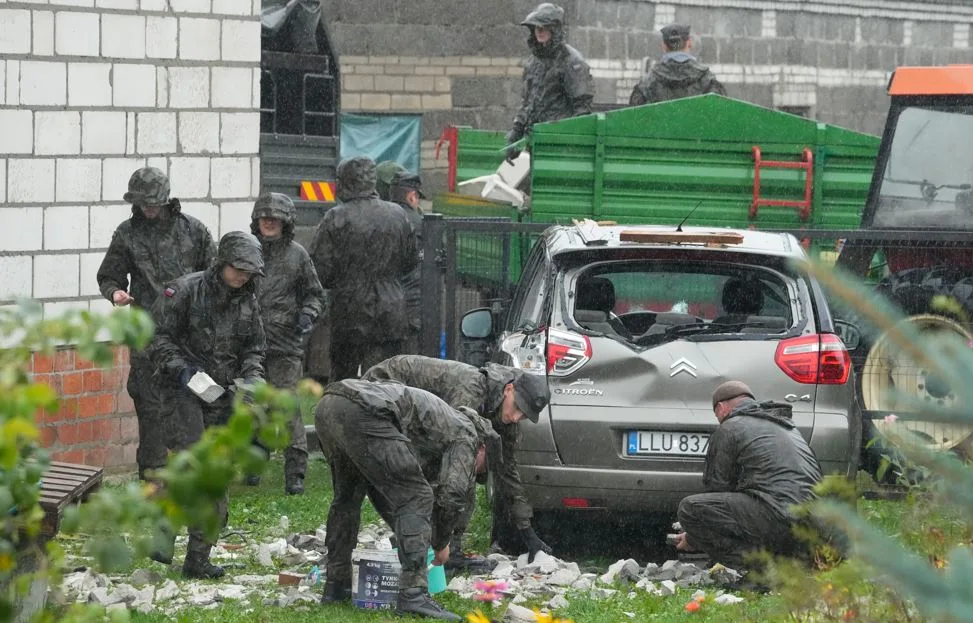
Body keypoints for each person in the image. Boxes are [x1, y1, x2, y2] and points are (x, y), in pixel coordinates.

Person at [315, 379, 496, 621]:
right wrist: (440, 542)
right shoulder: (467, 433)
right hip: (366, 409)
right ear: (483, 448)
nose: (475, 473)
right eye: (480, 469)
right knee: (419, 495)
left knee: (348, 498)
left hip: (331, 404)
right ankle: (413, 593)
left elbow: (384, 489)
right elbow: (452, 495)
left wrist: (408, 529)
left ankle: (336, 585)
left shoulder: (441, 422)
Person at [361, 355, 553, 569]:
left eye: (524, 415)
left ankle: (429, 542)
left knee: (459, 470)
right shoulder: (470, 390)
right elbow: (453, 451)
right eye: (517, 407)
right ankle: (430, 545)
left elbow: (507, 471)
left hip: (413, 409)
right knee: (455, 474)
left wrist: (528, 533)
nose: (516, 417)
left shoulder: (505, 414)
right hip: (381, 391)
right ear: (508, 390)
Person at [149, 231, 266, 579]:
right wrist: (181, 369)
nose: (242, 276)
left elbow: (255, 348)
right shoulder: (185, 291)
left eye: (249, 271)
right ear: (222, 263)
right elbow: (156, 337)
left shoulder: (248, 301)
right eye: (237, 268)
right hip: (182, 390)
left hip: (224, 395)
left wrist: (252, 379)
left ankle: (199, 556)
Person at [96, 166, 216, 482]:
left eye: (153, 202)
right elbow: (109, 274)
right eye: (142, 203)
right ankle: (153, 471)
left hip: (189, 333)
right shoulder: (127, 234)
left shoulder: (194, 231)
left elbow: (214, 277)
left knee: (198, 395)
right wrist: (116, 292)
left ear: (165, 200)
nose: (148, 208)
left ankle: (197, 466)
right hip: (147, 333)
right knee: (148, 400)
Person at [674, 381, 823, 570]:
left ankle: (762, 572)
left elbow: (717, 488)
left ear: (721, 408)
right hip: (815, 526)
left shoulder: (730, 427)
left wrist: (693, 538)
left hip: (781, 519)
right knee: (763, 505)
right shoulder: (786, 427)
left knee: (690, 509)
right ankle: (790, 564)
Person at [308, 156, 418, 381]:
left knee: (343, 381)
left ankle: (342, 416)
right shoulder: (398, 215)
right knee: (383, 383)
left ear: (344, 181)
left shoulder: (336, 217)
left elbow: (320, 270)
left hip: (349, 312)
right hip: (391, 311)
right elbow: (410, 262)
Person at [249, 192, 326, 494]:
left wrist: (307, 314)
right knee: (253, 405)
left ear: (285, 222)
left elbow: (315, 294)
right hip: (249, 344)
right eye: (264, 217)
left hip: (285, 344)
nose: (269, 222)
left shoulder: (297, 255)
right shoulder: (247, 250)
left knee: (289, 408)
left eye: (275, 218)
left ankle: (295, 472)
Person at [505, 2, 594, 163]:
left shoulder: (572, 61)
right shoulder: (533, 62)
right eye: (535, 28)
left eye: (543, 28)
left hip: (557, 142)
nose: (538, 32)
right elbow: (528, 102)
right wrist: (517, 130)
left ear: (554, 29)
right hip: (535, 139)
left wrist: (567, 141)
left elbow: (582, 109)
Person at [629, 23, 726, 106]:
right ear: (689, 43)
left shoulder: (647, 83)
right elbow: (723, 113)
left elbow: (633, 118)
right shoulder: (707, 80)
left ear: (663, 46)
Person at [387, 171, 425, 354]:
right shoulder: (421, 223)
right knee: (409, 362)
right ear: (411, 196)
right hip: (412, 304)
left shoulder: (381, 219)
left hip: (383, 304)